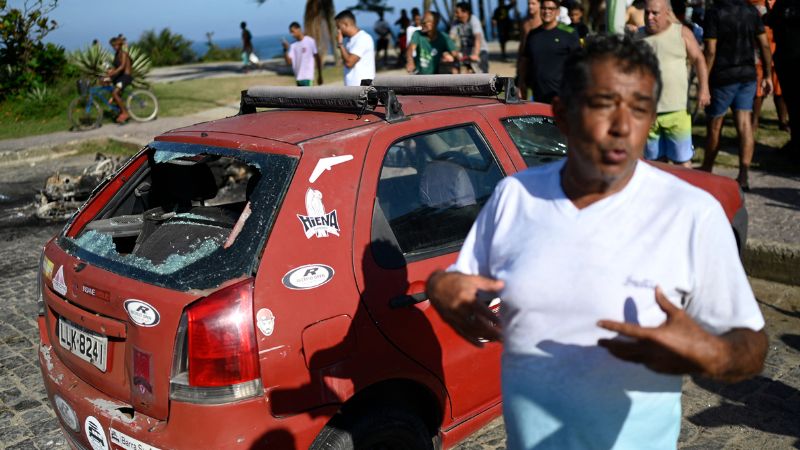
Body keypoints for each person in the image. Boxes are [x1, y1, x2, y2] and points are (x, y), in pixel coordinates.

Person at [426, 33, 767, 450]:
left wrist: (713, 353)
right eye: (604, 105)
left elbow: (751, 345)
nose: (623, 126)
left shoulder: (691, 213)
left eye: (640, 109)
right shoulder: (516, 195)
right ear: (563, 116)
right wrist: (440, 287)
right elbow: (460, 280)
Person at [700, 0, 773, 190]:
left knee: (715, 126)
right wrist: (767, 74)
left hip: (723, 76)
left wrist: (703, 81)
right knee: (745, 124)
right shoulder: (751, 11)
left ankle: (707, 170)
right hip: (747, 74)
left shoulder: (714, 12)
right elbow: (764, 45)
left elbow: (710, 50)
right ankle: (743, 174)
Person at [636, 0, 710, 167]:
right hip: (648, 113)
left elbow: (698, 59)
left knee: (682, 162)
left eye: (655, 13)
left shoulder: (681, 33)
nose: (649, 17)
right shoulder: (637, 37)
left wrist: (704, 88)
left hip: (677, 111)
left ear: (667, 12)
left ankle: (688, 192)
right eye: (646, 12)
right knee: (655, 163)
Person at [522, 0, 581, 104]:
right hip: (537, 96)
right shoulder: (533, 34)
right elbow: (525, 61)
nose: (546, 11)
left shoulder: (569, 33)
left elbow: (578, 63)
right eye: (544, 8)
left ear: (557, 12)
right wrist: (521, 83)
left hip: (561, 96)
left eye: (550, 8)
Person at [767, 0, 800, 158]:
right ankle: (794, 143)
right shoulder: (782, 3)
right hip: (785, 59)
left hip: (793, 59)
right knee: (792, 104)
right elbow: (770, 19)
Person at [750, 0, 789, 132]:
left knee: (780, 88)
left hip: (778, 43)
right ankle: (754, 121)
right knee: (758, 88)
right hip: (758, 45)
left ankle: (783, 121)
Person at [335, 10, 376, 87]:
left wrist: (340, 44)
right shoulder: (348, 40)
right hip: (352, 89)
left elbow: (349, 63)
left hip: (363, 90)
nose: (338, 31)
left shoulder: (363, 38)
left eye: (338, 27)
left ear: (346, 24)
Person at [451, 2, 490, 73]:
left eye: (457, 12)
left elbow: (478, 37)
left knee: (482, 74)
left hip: (480, 50)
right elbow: (451, 38)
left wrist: (475, 54)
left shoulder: (474, 20)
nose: (455, 14)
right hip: (465, 51)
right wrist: (452, 51)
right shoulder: (456, 23)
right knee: (455, 69)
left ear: (465, 12)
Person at [282, 22, 323, 86]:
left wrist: (320, 75)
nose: (292, 34)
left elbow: (317, 58)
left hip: (307, 77)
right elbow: (289, 62)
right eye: (290, 32)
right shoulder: (293, 45)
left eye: (293, 31)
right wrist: (285, 50)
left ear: (299, 29)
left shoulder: (310, 41)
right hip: (298, 78)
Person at [517, 0, 543, 95]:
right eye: (528, 4)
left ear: (540, 5)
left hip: (539, 62)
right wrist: (519, 62)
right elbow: (522, 43)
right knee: (521, 90)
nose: (530, 6)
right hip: (525, 61)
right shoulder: (524, 22)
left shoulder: (543, 21)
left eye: (533, 4)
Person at [106, 36, 132, 124]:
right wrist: (109, 72)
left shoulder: (123, 53)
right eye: (113, 45)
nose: (114, 47)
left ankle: (125, 113)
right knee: (106, 84)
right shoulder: (116, 54)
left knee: (115, 93)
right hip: (120, 76)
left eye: (116, 45)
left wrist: (112, 73)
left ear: (119, 44)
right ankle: (120, 111)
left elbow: (122, 67)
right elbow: (116, 67)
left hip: (125, 76)